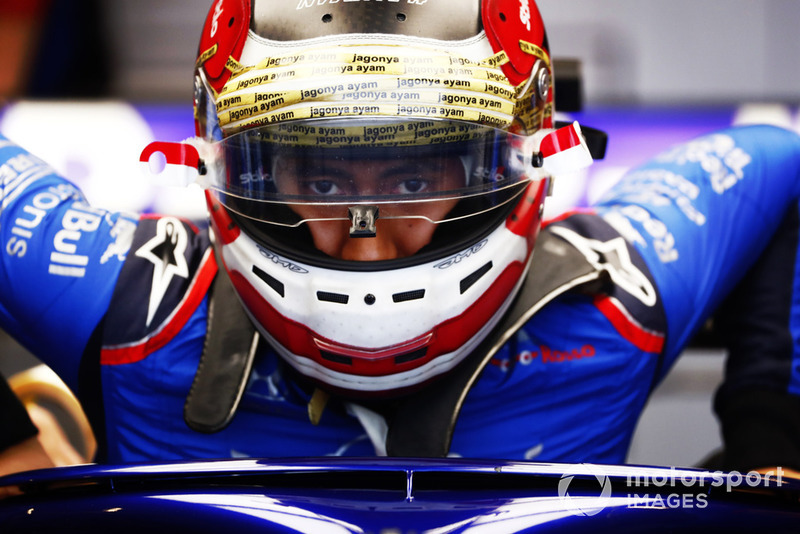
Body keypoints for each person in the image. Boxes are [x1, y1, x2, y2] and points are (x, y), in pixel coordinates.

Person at [1, 0, 799, 472]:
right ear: (224, 163)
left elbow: (783, 162)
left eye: (414, 182)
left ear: (527, 156)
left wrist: (771, 439)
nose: (370, 242)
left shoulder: (611, 304)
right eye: (319, 180)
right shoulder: (137, 313)